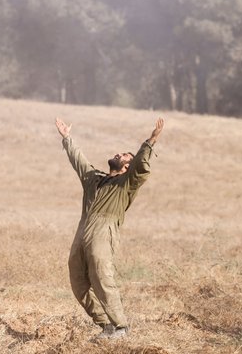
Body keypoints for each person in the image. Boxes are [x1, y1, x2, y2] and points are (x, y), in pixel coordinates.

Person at [55, 116, 164, 340]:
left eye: (124, 155)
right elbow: (79, 160)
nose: (118, 154)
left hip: (104, 232)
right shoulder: (93, 180)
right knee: (78, 282)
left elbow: (141, 166)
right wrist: (67, 138)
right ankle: (106, 326)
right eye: (120, 153)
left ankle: (121, 326)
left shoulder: (126, 184)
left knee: (102, 276)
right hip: (82, 231)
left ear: (127, 167)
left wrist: (151, 141)